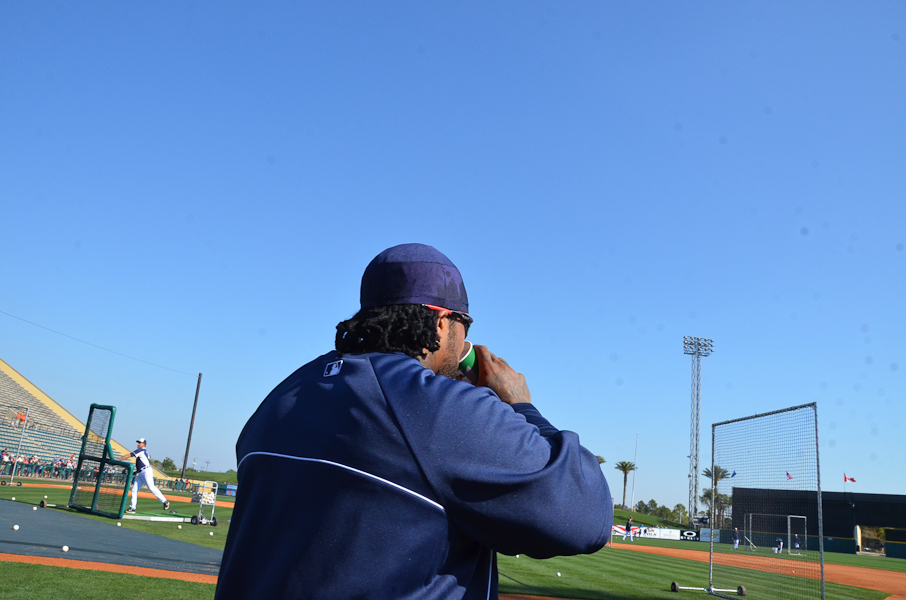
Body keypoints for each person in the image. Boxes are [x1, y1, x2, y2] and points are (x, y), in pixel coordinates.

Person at [215, 243, 613, 600]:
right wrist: (521, 406)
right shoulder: (437, 407)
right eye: (465, 324)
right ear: (441, 322)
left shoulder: (283, 395)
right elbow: (585, 516)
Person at [119, 438, 169, 513]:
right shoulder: (143, 451)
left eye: (140, 442)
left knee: (151, 487)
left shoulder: (141, 450)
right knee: (134, 490)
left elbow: (128, 455)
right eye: (138, 442)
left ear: (144, 444)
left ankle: (165, 501)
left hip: (146, 471)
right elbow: (142, 463)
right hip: (141, 472)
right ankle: (132, 508)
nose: (138, 444)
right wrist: (137, 472)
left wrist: (118, 460)